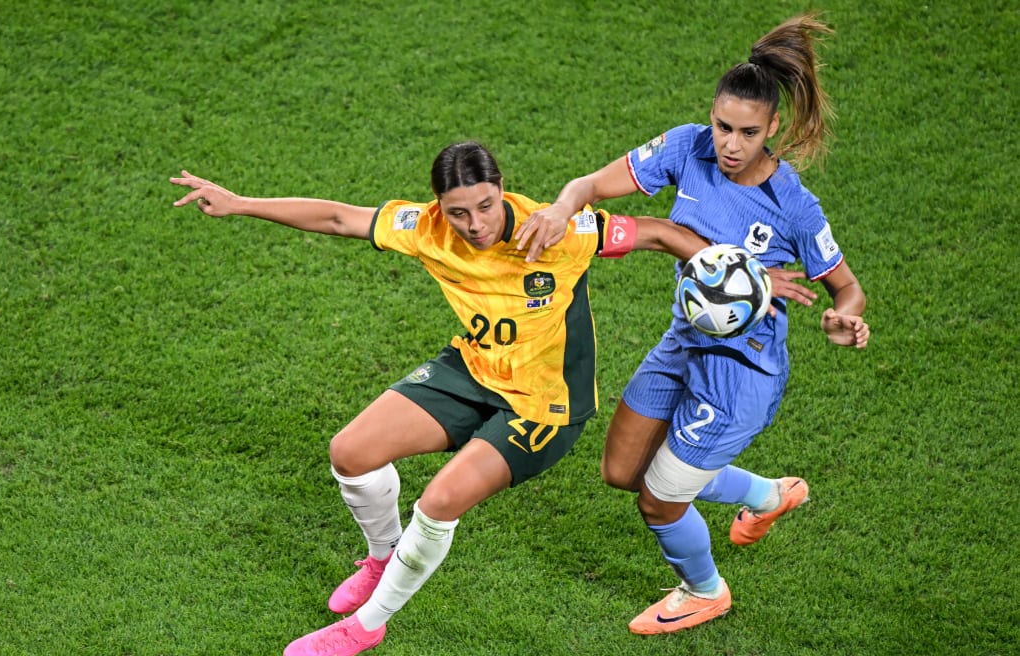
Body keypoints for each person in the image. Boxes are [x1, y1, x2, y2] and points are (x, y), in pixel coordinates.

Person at [169, 141, 716, 656]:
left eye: (484, 205)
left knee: (436, 503)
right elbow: (338, 217)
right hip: (475, 369)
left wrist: (740, 277)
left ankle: (366, 627)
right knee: (350, 453)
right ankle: (382, 560)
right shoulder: (424, 227)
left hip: (542, 404)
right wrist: (240, 204)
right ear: (439, 207)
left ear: (501, 188)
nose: (474, 224)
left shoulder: (559, 230)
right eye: (458, 212)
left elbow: (661, 233)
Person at [515, 13, 870, 635]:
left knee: (660, 497)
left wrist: (846, 318)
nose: (730, 144)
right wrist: (561, 207)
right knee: (622, 472)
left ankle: (704, 591)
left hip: (740, 374)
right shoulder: (687, 147)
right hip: (683, 341)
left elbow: (845, 287)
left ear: (774, 129)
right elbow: (594, 183)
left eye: (748, 132)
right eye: (722, 126)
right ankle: (767, 494)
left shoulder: (794, 206)